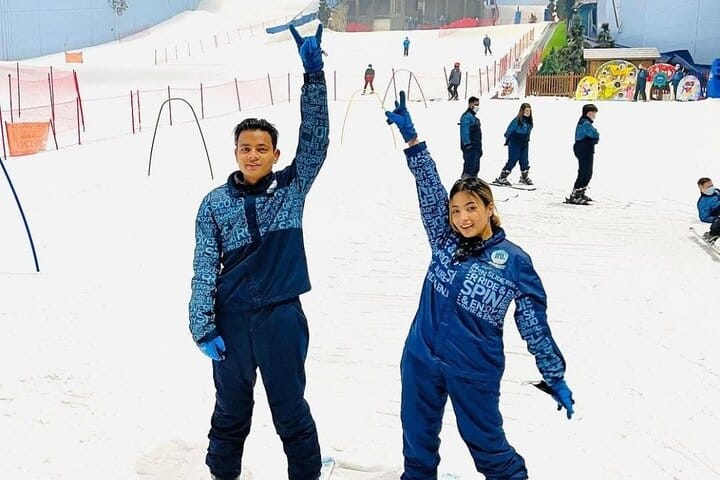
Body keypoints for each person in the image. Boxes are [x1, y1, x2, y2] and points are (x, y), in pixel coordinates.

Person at [384, 90, 574, 480]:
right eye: (455, 210)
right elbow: (429, 188)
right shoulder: (444, 239)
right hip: (421, 356)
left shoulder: (515, 262)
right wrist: (413, 140)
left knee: (488, 449)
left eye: (471, 208)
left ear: (489, 208)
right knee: (417, 443)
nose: (462, 218)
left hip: (473, 368)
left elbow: (534, 326)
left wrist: (554, 374)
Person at [189, 24, 329, 480]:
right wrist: (202, 325)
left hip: (281, 319)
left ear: (275, 154)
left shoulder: (291, 189)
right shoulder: (214, 204)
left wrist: (314, 77)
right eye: (246, 148)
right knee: (230, 411)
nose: (253, 155)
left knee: (290, 410)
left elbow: (316, 141)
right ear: (235, 152)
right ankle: (222, 474)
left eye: (262, 149)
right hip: (230, 322)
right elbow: (204, 266)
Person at [566, 104, 599, 205]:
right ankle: (575, 194)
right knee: (585, 172)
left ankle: (580, 192)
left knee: (587, 172)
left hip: (586, 149)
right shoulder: (585, 123)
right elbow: (594, 134)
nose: (595, 116)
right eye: (593, 113)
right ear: (589, 113)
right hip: (584, 149)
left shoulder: (585, 122)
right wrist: (595, 137)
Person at [494, 103, 533, 186]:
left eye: (529, 111)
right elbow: (508, 131)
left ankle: (524, 177)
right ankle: (502, 177)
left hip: (524, 143)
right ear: (522, 111)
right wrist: (509, 140)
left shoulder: (529, 122)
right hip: (515, 143)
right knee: (513, 160)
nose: (528, 112)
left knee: (524, 161)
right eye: (526, 110)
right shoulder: (517, 120)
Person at [459, 96, 482, 178]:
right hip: (470, 146)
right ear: (470, 104)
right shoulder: (467, 117)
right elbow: (464, 131)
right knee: (469, 167)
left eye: (478, 104)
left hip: (476, 146)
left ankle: (473, 181)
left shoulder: (474, 118)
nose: (477, 107)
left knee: (475, 167)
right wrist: (467, 144)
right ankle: (465, 181)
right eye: (475, 104)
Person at [696, 177, 720, 242]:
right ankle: (711, 235)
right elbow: (704, 217)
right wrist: (715, 219)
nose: (711, 188)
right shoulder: (703, 203)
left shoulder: (717, 191)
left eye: (712, 185)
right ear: (701, 188)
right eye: (708, 187)